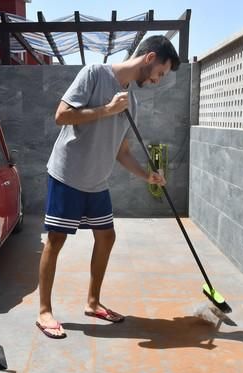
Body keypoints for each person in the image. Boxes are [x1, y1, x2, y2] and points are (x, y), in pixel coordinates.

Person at [36, 35, 181, 339]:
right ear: (149, 58)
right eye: (161, 73)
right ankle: (44, 312)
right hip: (68, 174)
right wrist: (106, 109)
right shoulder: (94, 74)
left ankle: (93, 302)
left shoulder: (133, 103)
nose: (158, 80)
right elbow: (61, 115)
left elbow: (122, 151)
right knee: (57, 240)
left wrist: (147, 176)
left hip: (96, 181)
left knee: (107, 236)